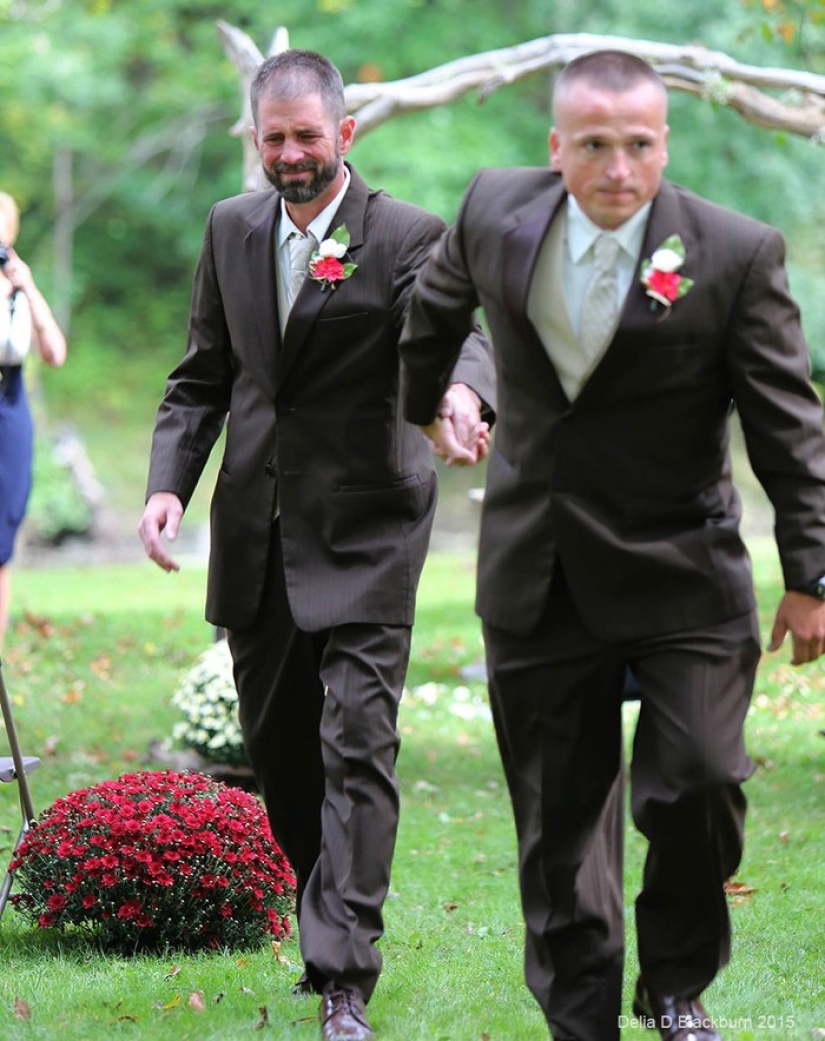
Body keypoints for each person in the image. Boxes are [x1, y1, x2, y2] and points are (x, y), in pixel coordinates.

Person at [399, 49, 825, 1041]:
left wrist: (811, 574)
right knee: (558, 827)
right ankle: (580, 1014)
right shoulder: (493, 211)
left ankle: (676, 985)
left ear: (663, 144)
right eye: (595, 145)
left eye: (639, 145)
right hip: (539, 568)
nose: (619, 168)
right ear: (558, 147)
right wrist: (437, 402)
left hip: (686, 570)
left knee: (703, 780)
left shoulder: (734, 252)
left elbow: (787, 430)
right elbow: (432, 310)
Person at [138, 49, 494, 1041]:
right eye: (274, 137)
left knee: (356, 745)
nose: (291, 154)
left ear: (346, 133)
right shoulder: (231, 227)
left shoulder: (407, 235)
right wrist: (170, 487)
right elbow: (203, 375)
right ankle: (320, 914)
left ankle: (345, 976)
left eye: (308, 135)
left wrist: (462, 395)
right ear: (256, 140)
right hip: (255, 536)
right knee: (283, 756)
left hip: (370, 529)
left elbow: (453, 330)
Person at [0, 191, 67, 654]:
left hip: (10, 404)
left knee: (4, 529)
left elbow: (55, 354)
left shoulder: (17, 285)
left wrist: (28, 288)